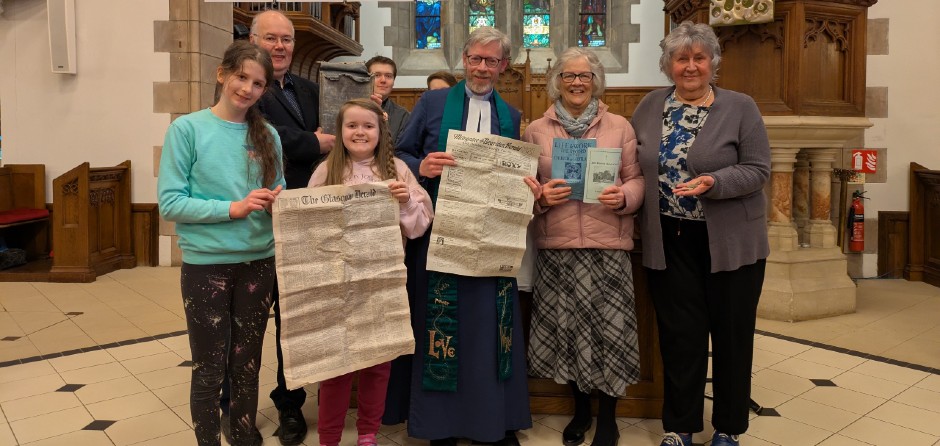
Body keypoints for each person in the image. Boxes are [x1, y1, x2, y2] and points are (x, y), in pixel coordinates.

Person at [631, 22, 771, 446]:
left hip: (730, 241)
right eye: (681, 58)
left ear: (712, 63)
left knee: (731, 335)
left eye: (699, 57)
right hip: (669, 239)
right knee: (680, 337)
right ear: (668, 64)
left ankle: (728, 428)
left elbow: (758, 170)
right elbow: (633, 163)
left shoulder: (740, 106)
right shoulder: (649, 106)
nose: (690, 66)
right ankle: (680, 427)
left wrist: (714, 183)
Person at [393, 26, 534, 446]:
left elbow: (517, 174)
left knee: (491, 327)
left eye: (492, 60)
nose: (482, 67)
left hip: (492, 238)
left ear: (503, 66)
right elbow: (400, 151)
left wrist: (528, 187)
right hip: (440, 234)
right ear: (464, 60)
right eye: (476, 58)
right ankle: (440, 424)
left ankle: (495, 418)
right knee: (441, 324)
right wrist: (423, 166)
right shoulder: (433, 101)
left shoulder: (511, 115)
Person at [158, 40, 285, 446]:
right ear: (222, 74)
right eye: (241, 77)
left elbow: (277, 187)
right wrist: (233, 208)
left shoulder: (267, 134)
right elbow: (170, 202)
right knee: (210, 367)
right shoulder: (188, 129)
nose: (247, 89)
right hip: (207, 265)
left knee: (247, 366)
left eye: (258, 83)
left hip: (258, 262)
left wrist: (275, 202)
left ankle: (245, 438)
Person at [522, 47, 644, 446]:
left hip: (607, 244)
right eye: (569, 76)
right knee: (568, 332)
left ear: (596, 82)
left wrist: (624, 196)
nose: (577, 82)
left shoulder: (620, 126)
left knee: (609, 333)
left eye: (585, 76)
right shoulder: (536, 131)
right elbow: (524, 189)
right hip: (558, 246)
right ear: (557, 82)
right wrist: (541, 198)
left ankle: (607, 416)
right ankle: (579, 411)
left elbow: (636, 179)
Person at [222, 10, 333, 446]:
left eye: (287, 39)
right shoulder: (245, 91)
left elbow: (331, 136)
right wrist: (314, 141)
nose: (281, 46)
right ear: (252, 41)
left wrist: (320, 142)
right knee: (244, 321)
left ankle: (290, 403)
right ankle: (234, 402)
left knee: (294, 319)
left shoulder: (310, 89)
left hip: (303, 218)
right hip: (253, 219)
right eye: (271, 38)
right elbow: (264, 135)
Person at [308, 98, 433, 446]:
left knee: (378, 366)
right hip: (337, 283)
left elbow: (419, 227)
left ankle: (367, 434)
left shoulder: (396, 170)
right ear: (340, 131)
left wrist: (406, 200)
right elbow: (307, 227)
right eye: (352, 126)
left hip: (382, 284)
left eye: (368, 126)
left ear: (381, 132)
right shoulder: (325, 171)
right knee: (336, 367)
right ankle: (329, 437)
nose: (359, 132)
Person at [366, 56, 410, 142]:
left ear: (393, 81)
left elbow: (402, 151)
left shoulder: (403, 116)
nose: (383, 80)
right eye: (377, 75)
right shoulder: (348, 109)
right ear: (366, 78)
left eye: (388, 76)